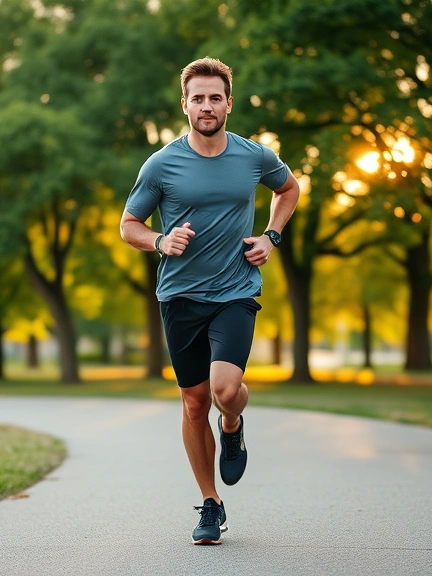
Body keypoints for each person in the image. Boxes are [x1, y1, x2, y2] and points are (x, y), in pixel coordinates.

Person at [120, 57, 300, 545]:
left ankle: (235, 421)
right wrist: (160, 242)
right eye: (197, 98)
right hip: (179, 296)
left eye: (214, 97)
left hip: (236, 291)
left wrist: (272, 236)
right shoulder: (161, 164)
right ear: (185, 104)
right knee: (193, 401)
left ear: (229, 103)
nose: (206, 105)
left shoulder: (254, 156)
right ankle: (211, 504)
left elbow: (289, 188)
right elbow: (128, 226)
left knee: (223, 389)